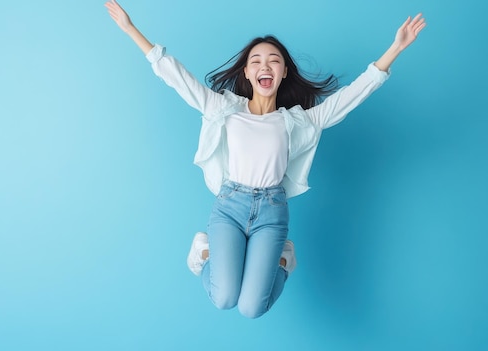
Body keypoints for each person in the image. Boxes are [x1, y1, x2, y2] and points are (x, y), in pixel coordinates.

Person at [105, 0, 425, 319]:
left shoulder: (297, 122)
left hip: (272, 213)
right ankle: (203, 254)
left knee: (250, 308)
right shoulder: (224, 109)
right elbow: (177, 77)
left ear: (284, 72)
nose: (265, 66)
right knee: (224, 298)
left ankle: (286, 258)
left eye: (274, 61)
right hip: (230, 207)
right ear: (247, 72)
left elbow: (350, 96)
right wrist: (131, 29)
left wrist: (395, 49)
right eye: (256, 61)